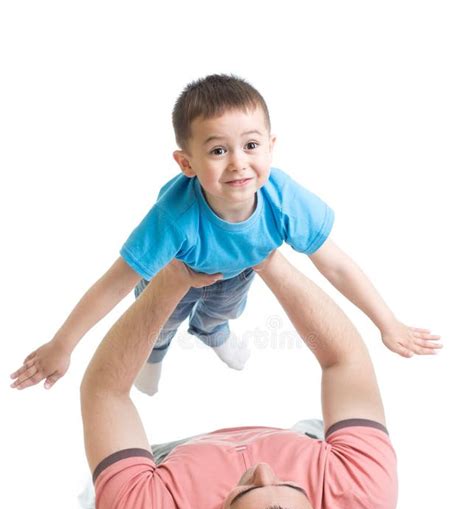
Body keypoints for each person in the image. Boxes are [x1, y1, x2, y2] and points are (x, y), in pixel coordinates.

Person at [10, 74, 440, 396]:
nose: (238, 163)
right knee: (162, 322)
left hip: (236, 273)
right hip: (173, 273)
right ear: (187, 163)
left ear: (270, 146)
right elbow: (113, 284)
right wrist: (62, 344)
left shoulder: (282, 197)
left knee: (222, 312)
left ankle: (212, 333)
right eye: (218, 151)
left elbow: (338, 265)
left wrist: (388, 323)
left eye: (251, 146)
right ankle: (156, 354)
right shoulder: (173, 218)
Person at [79, 251, 440, 509]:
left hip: (170, 462)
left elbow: (105, 390)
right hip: (302, 441)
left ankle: (106, 487)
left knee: (105, 490)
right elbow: (344, 360)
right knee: (328, 433)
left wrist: (172, 281)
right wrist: (268, 260)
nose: (264, 468)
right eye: (292, 487)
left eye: (247, 491)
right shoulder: (365, 498)